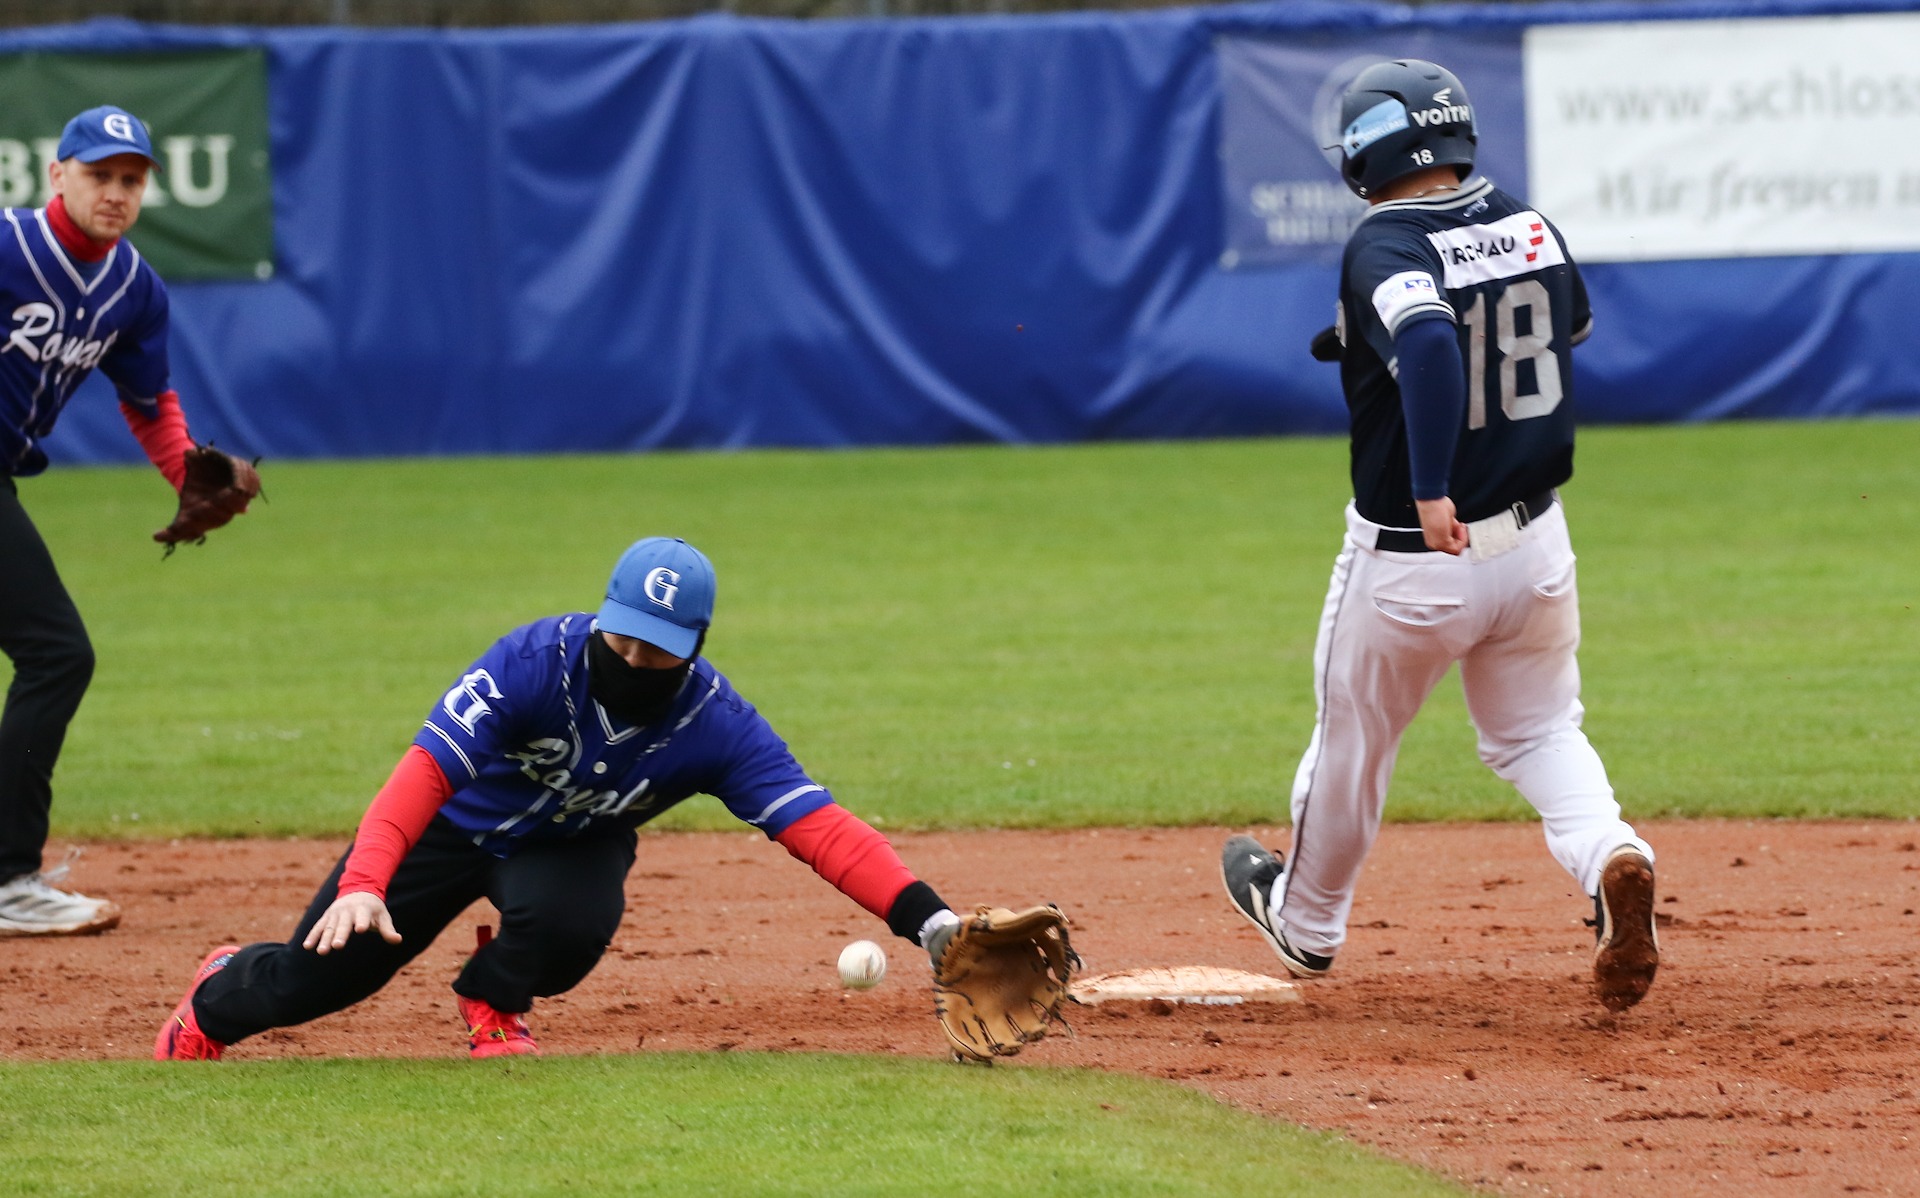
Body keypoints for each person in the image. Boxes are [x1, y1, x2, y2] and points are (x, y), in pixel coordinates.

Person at [156, 536, 970, 1059]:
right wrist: (365, 882)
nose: (636, 659)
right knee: (314, 984)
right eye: (625, 638)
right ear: (604, 615)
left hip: (569, 846)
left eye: (659, 650)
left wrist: (930, 922)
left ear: (695, 646)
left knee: (571, 924)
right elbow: (424, 773)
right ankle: (217, 992)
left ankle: (493, 995)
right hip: (450, 828)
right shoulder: (531, 663)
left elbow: (819, 827)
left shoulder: (715, 724)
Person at [1220, 60, 1659, 1012]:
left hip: (1417, 560)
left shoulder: (1385, 240)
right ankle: (1612, 854)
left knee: (1354, 742)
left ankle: (1307, 923)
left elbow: (1426, 338)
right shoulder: (1529, 222)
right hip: (1535, 547)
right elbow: (1561, 330)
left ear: (1367, 152)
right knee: (1540, 731)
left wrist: (1428, 486)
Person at [1, 106, 256, 937]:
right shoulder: (9, 246)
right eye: (99, 174)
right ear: (56, 175)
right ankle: (7, 880)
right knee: (56, 655)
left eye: (131, 179)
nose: (115, 192)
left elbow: (147, 401)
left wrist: (189, 476)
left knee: (53, 656)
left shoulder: (133, 289)